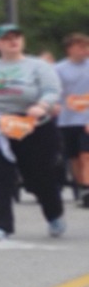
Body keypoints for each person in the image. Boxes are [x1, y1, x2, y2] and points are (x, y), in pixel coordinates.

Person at [0, 23, 68, 240]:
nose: (13, 41)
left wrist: (41, 106)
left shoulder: (38, 66)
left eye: (17, 37)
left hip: (32, 125)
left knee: (38, 176)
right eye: (7, 38)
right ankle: (1, 225)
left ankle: (54, 214)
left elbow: (52, 90)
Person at [56, 32, 89, 207]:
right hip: (67, 119)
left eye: (87, 47)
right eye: (81, 47)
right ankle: (81, 187)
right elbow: (54, 92)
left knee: (86, 155)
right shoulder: (59, 69)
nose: (85, 50)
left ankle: (86, 187)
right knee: (74, 157)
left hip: (87, 119)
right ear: (70, 49)